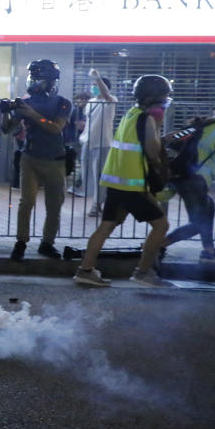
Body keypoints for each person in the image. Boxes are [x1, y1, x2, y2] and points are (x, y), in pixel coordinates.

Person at [73, 75, 174, 288]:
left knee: (106, 226)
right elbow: (153, 151)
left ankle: (85, 270)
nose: (165, 103)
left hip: (116, 182)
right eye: (164, 98)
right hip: (132, 185)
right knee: (161, 225)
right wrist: (159, 128)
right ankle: (143, 272)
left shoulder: (131, 113)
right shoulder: (147, 119)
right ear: (155, 99)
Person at [1, 60, 72, 261]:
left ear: (51, 82)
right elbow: (8, 130)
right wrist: (5, 112)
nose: (35, 83)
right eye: (33, 79)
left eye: (40, 79)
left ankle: (47, 243)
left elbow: (56, 128)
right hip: (30, 157)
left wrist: (31, 114)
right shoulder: (27, 101)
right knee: (27, 202)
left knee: (54, 204)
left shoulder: (63, 103)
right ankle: (21, 242)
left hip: (55, 160)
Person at [160, 110, 215, 264]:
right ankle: (158, 245)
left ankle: (209, 251)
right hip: (194, 179)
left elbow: (173, 138)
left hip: (182, 174)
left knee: (209, 208)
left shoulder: (208, 124)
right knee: (198, 223)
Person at [78, 69, 117, 215]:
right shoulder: (91, 102)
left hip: (102, 143)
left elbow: (106, 94)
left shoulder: (110, 101)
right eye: (93, 85)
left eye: (96, 85)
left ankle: (97, 205)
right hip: (87, 142)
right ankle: (96, 201)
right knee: (88, 175)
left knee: (100, 176)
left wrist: (98, 78)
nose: (93, 88)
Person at [64, 91, 89, 196]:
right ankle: (78, 186)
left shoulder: (78, 110)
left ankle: (77, 186)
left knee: (79, 162)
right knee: (83, 163)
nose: (80, 101)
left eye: (82, 99)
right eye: (80, 99)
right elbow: (80, 126)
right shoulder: (77, 111)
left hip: (74, 139)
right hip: (76, 140)